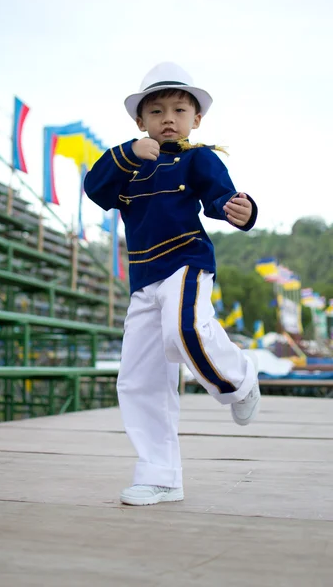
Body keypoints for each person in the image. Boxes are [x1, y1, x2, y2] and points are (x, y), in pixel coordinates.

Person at [84, 62, 261, 506]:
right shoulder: (127, 162)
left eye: (179, 110)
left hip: (186, 261)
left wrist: (240, 209)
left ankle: (240, 379)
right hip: (143, 278)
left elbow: (220, 197)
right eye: (156, 110)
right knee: (138, 377)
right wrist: (128, 153)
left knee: (184, 330)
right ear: (139, 121)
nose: (168, 118)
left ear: (195, 119)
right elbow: (94, 187)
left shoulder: (198, 157)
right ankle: (160, 475)